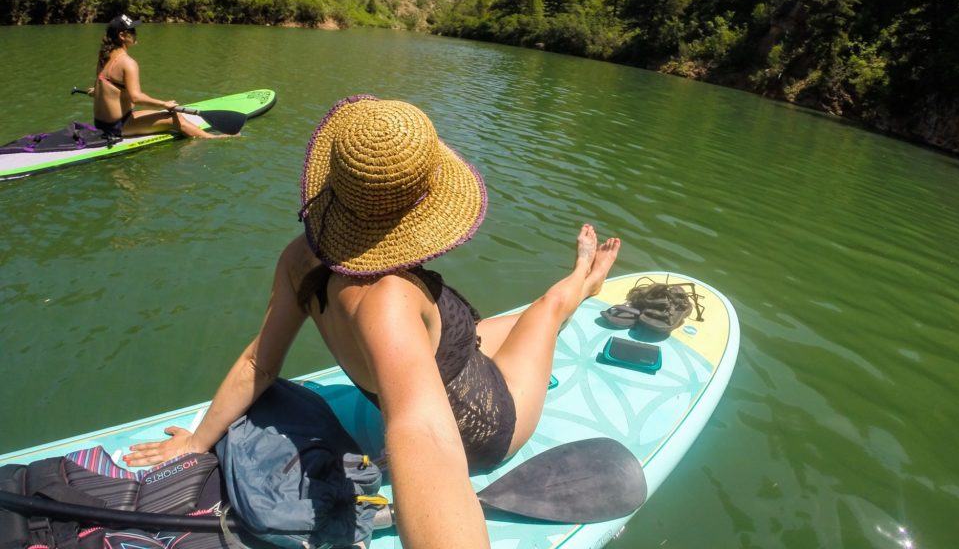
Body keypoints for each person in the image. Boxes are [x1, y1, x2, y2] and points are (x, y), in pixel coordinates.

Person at [123, 95, 621, 549]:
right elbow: (423, 432)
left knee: (508, 324)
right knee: (546, 311)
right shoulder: (390, 300)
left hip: (451, 362)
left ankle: (565, 294)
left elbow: (260, 360)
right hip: (484, 422)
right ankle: (584, 279)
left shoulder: (300, 259)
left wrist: (196, 441)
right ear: (420, 210)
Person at [89, 14, 221, 139]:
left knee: (169, 113)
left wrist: (97, 91)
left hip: (101, 123)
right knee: (175, 118)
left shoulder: (103, 56)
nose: (136, 34)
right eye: (132, 31)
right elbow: (136, 98)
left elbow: (103, 84)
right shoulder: (128, 63)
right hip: (117, 126)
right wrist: (164, 104)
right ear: (122, 35)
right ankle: (214, 138)